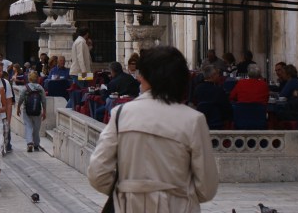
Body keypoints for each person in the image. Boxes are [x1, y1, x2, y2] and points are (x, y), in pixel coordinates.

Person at [87, 46, 219, 212]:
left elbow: (97, 173)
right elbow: (207, 187)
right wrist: (179, 194)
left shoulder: (121, 115)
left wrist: (128, 190)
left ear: (145, 77)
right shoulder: (193, 121)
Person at [191, 65, 231, 130]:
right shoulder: (219, 90)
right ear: (212, 76)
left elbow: (195, 104)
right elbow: (226, 108)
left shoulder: (197, 89)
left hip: (201, 122)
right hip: (217, 123)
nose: (219, 76)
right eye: (217, 74)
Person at [16, 70, 46, 152]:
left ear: (29, 79)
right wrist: (44, 112)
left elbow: (21, 98)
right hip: (37, 111)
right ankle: (36, 144)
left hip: (27, 110)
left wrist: (18, 108)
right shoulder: (40, 88)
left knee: (28, 126)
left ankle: (29, 142)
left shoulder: (26, 88)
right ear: (37, 78)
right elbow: (43, 100)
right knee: (36, 128)